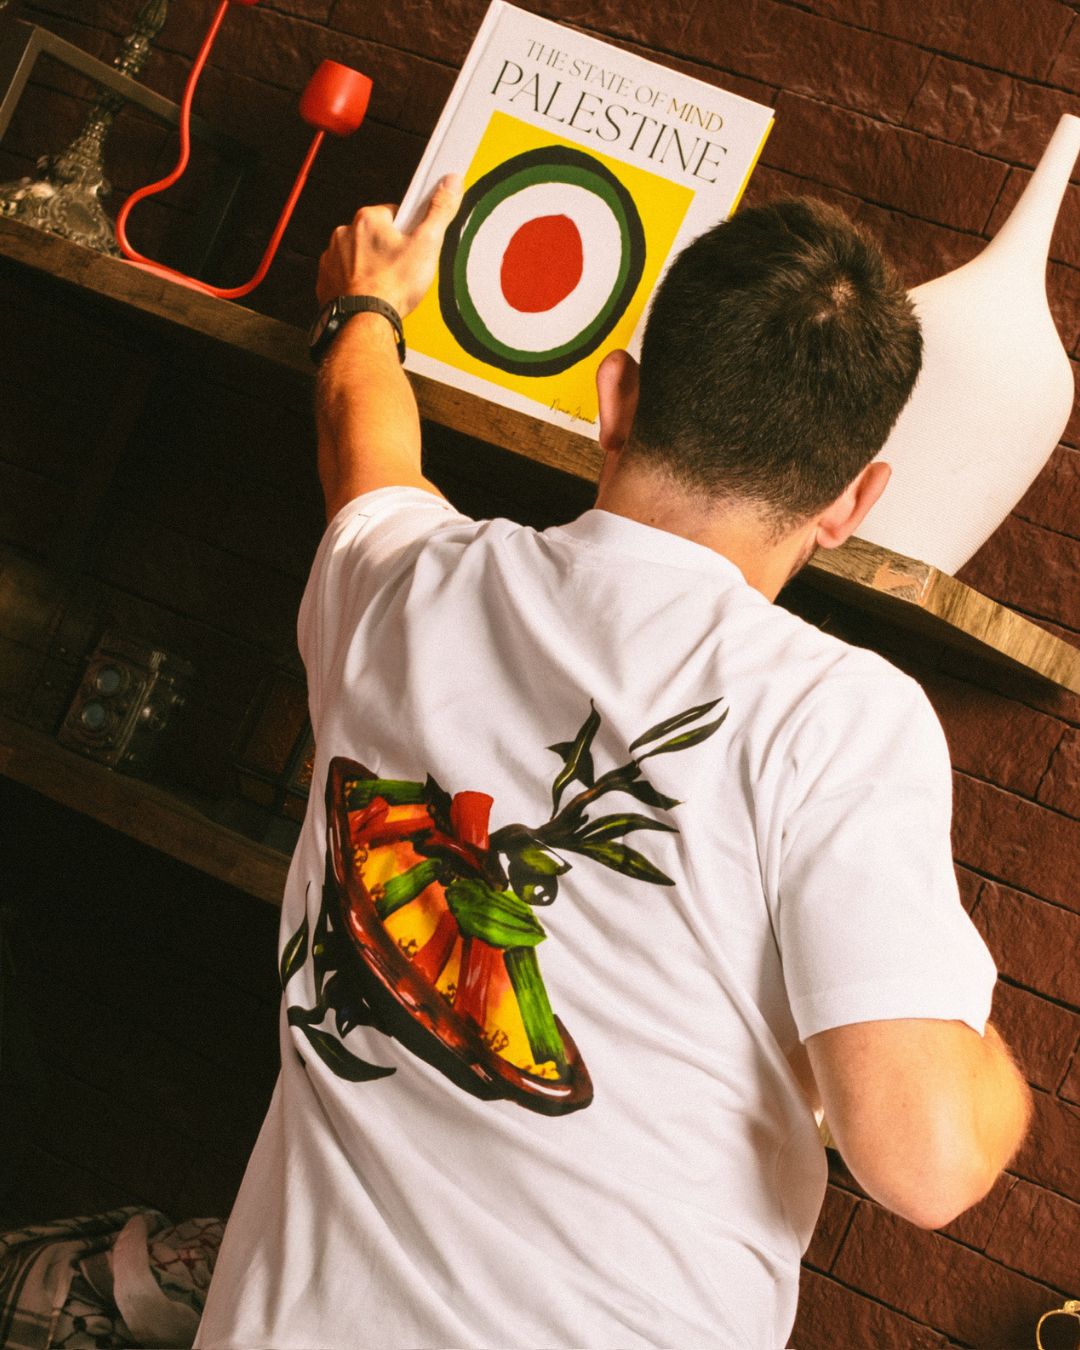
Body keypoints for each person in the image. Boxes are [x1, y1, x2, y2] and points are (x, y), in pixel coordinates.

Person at [196, 179, 1031, 1349]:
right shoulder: (836, 716)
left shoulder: (408, 586)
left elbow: (363, 438)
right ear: (853, 501)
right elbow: (929, 1165)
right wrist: (974, 1048)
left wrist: (368, 307)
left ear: (616, 398)